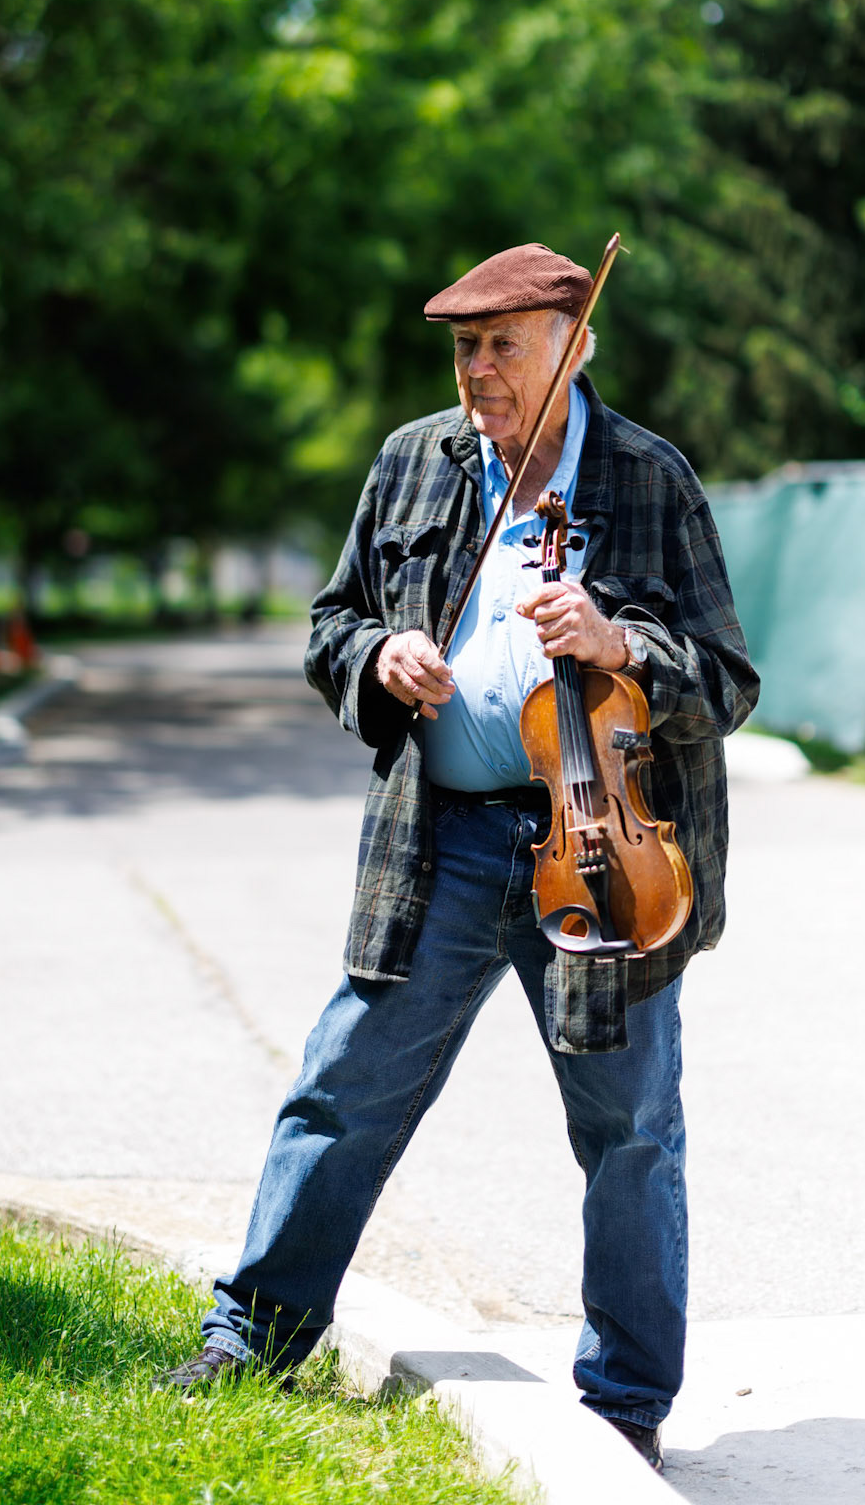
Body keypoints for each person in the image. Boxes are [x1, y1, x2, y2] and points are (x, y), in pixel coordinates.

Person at [157, 242, 759, 1472]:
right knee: (343, 1088)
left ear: (573, 345)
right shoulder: (413, 461)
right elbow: (331, 623)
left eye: (506, 345)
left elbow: (728, 678)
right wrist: (376, 656)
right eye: (465, 346)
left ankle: (627, 1396)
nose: (481, 370)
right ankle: (252, 1333)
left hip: (599, 850)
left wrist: (617, 639)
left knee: (630, 1126)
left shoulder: (649, 478)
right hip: (440, 838)